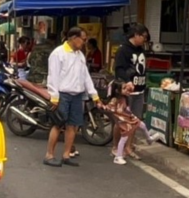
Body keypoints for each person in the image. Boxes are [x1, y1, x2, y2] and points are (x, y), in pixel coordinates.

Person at [44, 27, 100, 167]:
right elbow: (53, 76)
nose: (84, 42)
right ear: (74, 38)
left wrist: (94, 94)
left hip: (77, 94)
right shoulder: (58, 54)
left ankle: (66, 155)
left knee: (73, 126)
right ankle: (49, 155)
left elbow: (85, 76)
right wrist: (54, 97)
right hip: (62, 94)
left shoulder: (80, 55)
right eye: (83, 39)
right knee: (58, 125)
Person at [112, 23, 149, 160]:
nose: (145, 39)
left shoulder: (141, 50)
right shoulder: (123, 50)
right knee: (121, 120)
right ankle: (116, 147)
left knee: (135, 121)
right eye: (143, 36)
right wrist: (127, 81)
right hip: (126, 92)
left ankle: (128, 147)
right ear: (136, 35)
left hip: (140, 90)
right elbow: (119, 69)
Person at [106, 80, 149, 166]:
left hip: (128, 119)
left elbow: (127, 110)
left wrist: (131, 115)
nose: (127, 89)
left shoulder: (125, 98)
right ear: (118, 91)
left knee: (142, 125)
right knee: (124, 137)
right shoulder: (115, 100)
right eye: (124, 88)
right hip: (123, 121)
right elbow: (109, 108)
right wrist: (116, 111)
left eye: (126, 87)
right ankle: (118, 156)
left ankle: (149, 138)